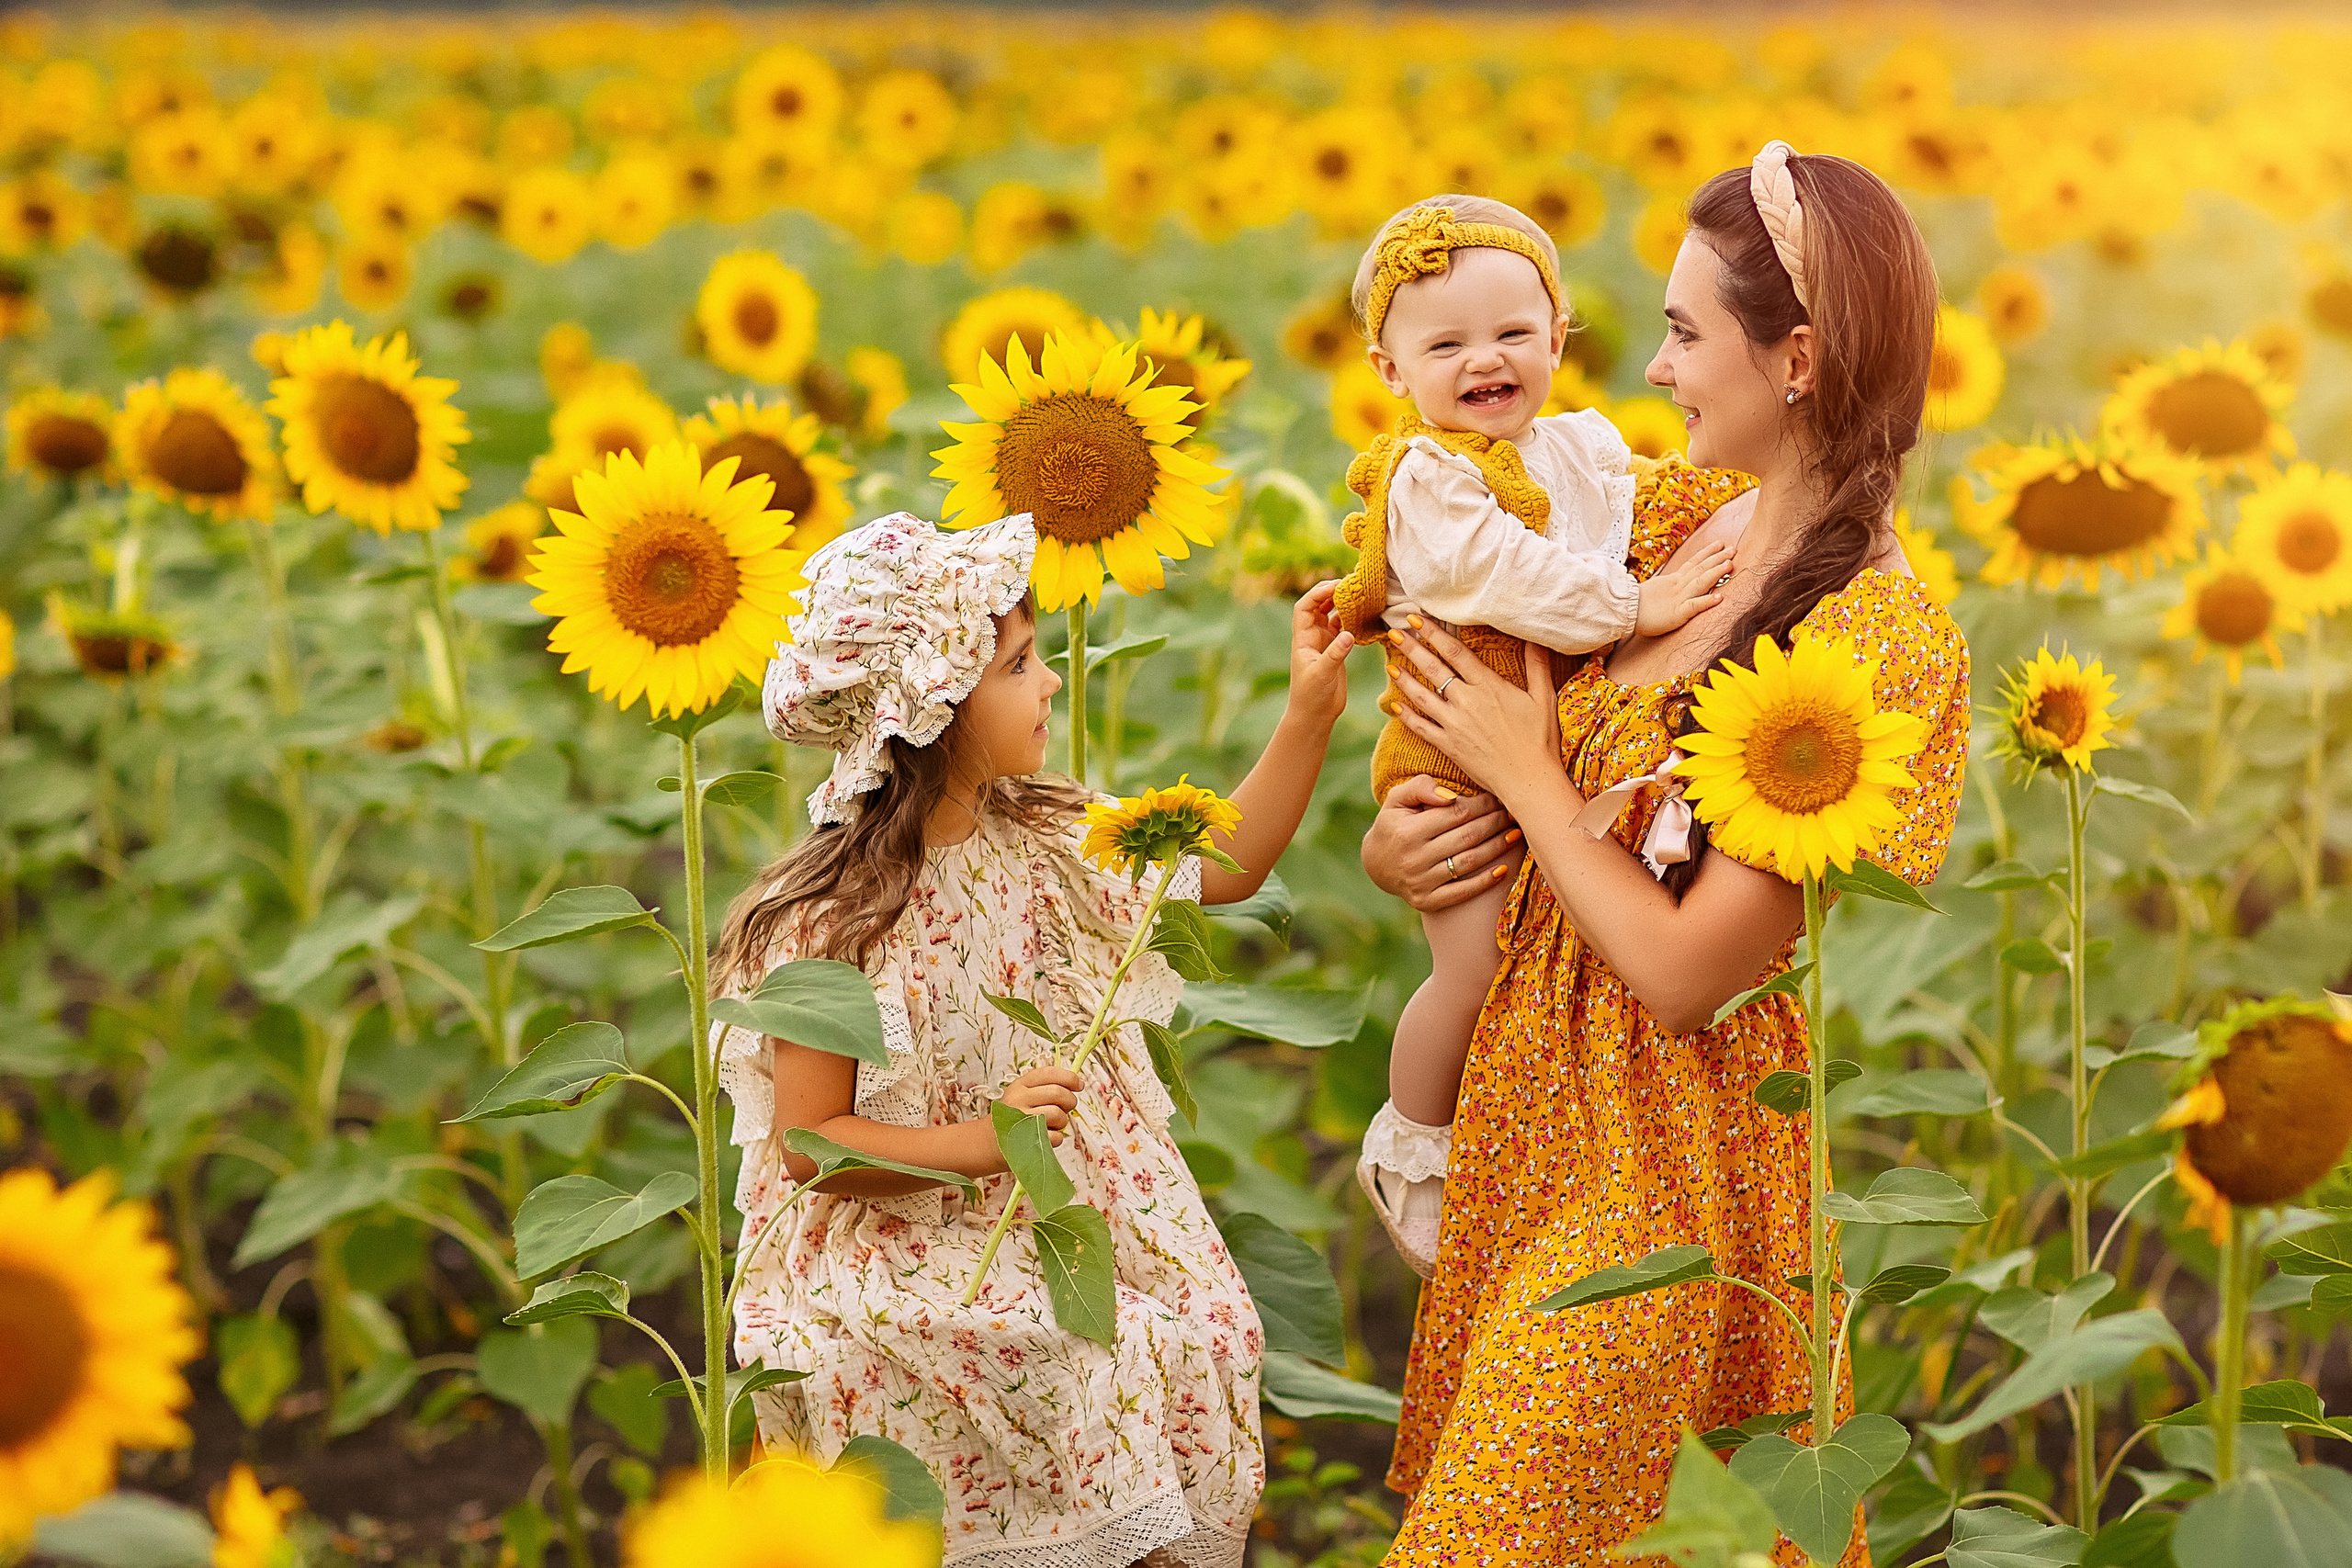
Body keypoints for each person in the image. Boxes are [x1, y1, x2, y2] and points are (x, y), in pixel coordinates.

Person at [1361, 143, 1973, 1563]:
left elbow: (1691, 970)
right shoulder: (1669, 518)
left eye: (1688, 331)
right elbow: (1450, 585)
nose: (1652, 369)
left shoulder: (1874, 644)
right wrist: (1420, 841)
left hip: (1667, 1178)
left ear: (1801, 358)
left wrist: (1521, 775)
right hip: (1534, 1127)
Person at [709, 513, 1356, 1568]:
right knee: (1082, 1355)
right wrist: (980, 1144)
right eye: (1017, 664)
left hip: (1059, 1202)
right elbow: (812, 1147)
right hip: (900, 1239)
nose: (1050, 681)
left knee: (1209, 1328)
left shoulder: (1044, 833)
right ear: (930, 707)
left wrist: (1307, 714)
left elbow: (1219, 870)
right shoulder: (825, 924)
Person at [1334, 195, 1737, 1277]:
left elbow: (1637, 506)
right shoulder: (1427, 478)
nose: (1484, 361)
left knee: (1534, 972)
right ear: (1389, 370)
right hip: (1456, 763)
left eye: (1513, 333)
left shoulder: (1576, 447)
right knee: (1470, 969)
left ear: (1558, 338)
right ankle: (1412, 1147)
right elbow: (1506, 577)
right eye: (1445, 344)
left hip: (1538, 751)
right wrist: (1636, 611)